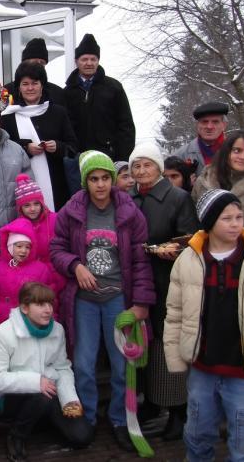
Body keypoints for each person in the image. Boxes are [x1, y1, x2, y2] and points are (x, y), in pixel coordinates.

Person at [164, 189, 244, 461]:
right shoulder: (188, 260)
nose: (235, 224)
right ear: (209, 222)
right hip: (203, 368)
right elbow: (175, 313)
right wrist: (175, 357)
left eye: (239, 217)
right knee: (197, 434)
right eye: (226, 218)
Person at [50, 150, 155, 451]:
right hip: (84, 300)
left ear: (112, 179)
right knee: (83, 362)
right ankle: (89, 417)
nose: (100, 184)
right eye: (94, 178)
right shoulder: (72, 210)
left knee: (122, 364)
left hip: (118, 298)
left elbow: (140, 261)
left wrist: (141, 303)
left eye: (105, 178)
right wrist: (75, 265)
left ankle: (120, 419)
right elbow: (56, 248)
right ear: (86, 181)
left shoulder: (130, 213)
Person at [127, 142, 198, 440]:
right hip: (137, 282)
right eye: (137, 165)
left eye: (148, 164)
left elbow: (191, 239)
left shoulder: (177, 198)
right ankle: (152, 403)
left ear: (158, 168)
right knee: (144, 344)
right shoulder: (128, 198)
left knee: (168, 346)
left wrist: (174, 249)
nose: (142, 170)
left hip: (169, 282)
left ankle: (179, 412)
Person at [0, 282, 93, 461]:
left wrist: (69, 400)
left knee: (82, 437)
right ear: (24, 308)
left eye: (50, 303)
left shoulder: (57, 330)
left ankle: (40, 422)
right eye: (41, 304)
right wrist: (36, 382)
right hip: (12, 397)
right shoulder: (4, 333)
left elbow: (62, 367)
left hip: (48, 391)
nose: (48, 309)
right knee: (41, 397)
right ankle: (16, 435)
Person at [3, 61, 79, 210]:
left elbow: (73, 146)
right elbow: (3, 149)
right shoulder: (8, 116)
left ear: (42, 85)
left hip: (57, 188)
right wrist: (26, 148)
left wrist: (58, 147)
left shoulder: (58, 113)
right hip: (20, 187)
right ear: (18, 87)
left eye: (35, 83)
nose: (30, 88)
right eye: (25, 84)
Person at [64, 34, 136, 162]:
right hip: (78, 159)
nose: (89, 63)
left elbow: (126, 126)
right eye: (84, 59)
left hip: (109, 157)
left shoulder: (114, 88)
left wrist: (122, 159)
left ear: (98, 61)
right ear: (76, 61)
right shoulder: (67, 92)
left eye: (93, 59)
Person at [0, 217, 62, 329]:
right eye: (19, 246)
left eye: (27, 247)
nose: (23, 250)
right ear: (10, 246)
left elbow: (50, 295)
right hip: (4, 321)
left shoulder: (41, 269)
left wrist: (51, 317)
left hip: (33, 322)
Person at [2, 38, 66, 107]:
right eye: (35, 62)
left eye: (42, 62)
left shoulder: (57, 93)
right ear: (24, 62)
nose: (39, 65)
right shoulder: (6, 92)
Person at [171, 101, 228, 176]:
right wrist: (186, 182)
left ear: (224, 125)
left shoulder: (236, 151)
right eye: (204, 122)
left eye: (215, 122)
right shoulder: (181, 155)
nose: (209, 127)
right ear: (197, 125)